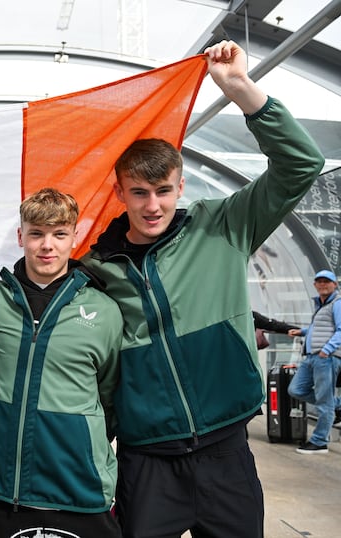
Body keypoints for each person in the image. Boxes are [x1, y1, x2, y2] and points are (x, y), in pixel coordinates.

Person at [80, 40, 325, 538]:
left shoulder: (225, 226)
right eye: (140, 193)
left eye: (164, 190)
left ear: (181, 185)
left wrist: (241, 89)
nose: (153, 206)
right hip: (146, 458)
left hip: (225, 451)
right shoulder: (96, 267)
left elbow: (302, 164)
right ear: (118, 192)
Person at [0, 188, 122, 537]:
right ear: (21, 236)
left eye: (59, 234)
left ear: (75, 236)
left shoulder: (105, 311)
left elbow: (110, 394)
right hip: (5, 494)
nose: (47, 245)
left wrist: (78, 435)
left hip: (79, 493)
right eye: (36, 233)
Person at [286, 270, 341, 454]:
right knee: (296, 389)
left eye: (327, 281)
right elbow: (319, 328)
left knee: (324, 403)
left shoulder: (337, 303)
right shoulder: (322, 305)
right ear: (315, 285)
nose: (323, 284)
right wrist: (302, 332)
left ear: (335, 284)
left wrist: (326, 350)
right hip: (312, 358)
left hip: (325, 358)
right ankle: (337, 405)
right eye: (319, 281)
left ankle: (319, 442)